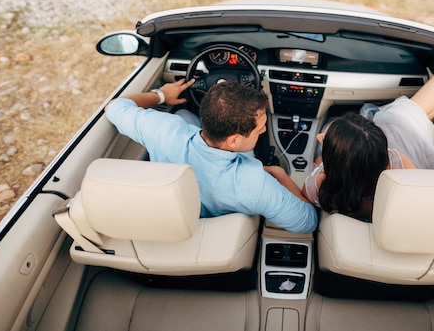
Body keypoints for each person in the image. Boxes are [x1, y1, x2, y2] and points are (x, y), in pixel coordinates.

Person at [303, 33, 434, 221]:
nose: (319, 136)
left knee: (406, 117)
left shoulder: (317, 187)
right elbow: (419, 188)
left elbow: (303, 201)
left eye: (324, 138)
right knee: (401, 118)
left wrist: (279, 173)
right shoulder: (395, 161)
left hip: (359, 174)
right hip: (397, 174)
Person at [105, 80, 318, 234]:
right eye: (259, 128)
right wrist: (281, 175)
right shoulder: (255, 183)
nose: (263, 131)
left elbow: (114, 106)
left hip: (175, 217)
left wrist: (161, 95)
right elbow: (307, 222)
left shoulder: (163, 129)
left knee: (182, 115)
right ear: (233, 141)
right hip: (211, 230)